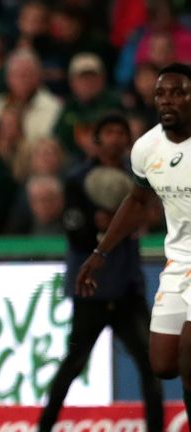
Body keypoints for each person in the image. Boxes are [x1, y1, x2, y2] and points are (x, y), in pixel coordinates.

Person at [78, 63, 191, 422]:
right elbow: (139, 201)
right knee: (164, 363)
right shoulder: (147, 148)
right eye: (161, 93)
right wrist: (100, 253)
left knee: (189, 356)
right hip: (179, 263)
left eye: (178, 92)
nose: (167, 100)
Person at [38, 113, 164, 432]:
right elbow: (74, 232)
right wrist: (106, 229)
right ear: (97, 139)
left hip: (127, 289)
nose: (115, 138)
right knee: (72, 365)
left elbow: (149, 217)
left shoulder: (140, 180)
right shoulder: (77, 180)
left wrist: (114, 224)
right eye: (108, 132)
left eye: (121, 132)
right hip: (91, 290)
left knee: (153, 365)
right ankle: (45, 427)